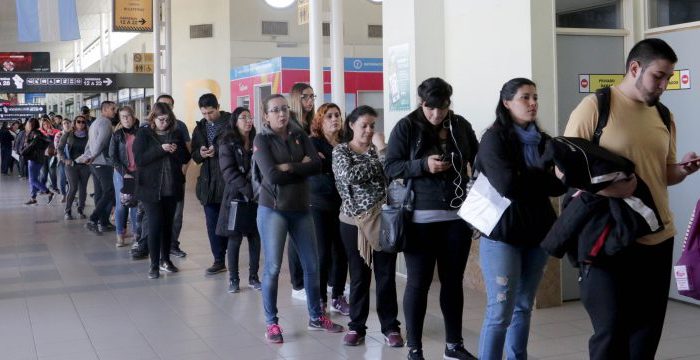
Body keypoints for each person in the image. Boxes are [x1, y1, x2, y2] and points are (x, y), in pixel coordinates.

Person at [565, 38, 700, 360]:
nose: (664, 84)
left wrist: (683, 170)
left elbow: (664, 173)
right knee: (611, 330)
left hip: (657, 233)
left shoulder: (664, 115)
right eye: (658, 76)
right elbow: (563, 171)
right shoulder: (596, 107)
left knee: (646, 332)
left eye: (669, 77)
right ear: (635, 68)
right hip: (607, 234)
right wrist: (606, 188)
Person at [385, 77, 479, 360]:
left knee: (453, 282)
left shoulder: (460, 125)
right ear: (421, 102)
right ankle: (415, 347)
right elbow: (391, 166)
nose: (436, 114)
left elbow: (477, 157)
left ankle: (453, 345)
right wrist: (423, 165)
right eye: (430, 108)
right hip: (420, 219)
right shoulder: (407, 126)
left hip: (456, 216)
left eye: (442, 107)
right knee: (418, 282)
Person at [476, 78, 567, 360]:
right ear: (507, 103)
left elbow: (560, 186)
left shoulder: (545, 141)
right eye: (525, 97)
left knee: (524, 306)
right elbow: (507, 186)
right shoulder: (494, 139)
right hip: (502, 234)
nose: (533, 103)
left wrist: (531, 177)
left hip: (537, 232)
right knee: (500, 311)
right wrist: (542, 172)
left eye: (535, 97)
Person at [253, 94, 343, 343]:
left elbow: (318, 166)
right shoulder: (262, 139)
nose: (281, 114)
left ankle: (316, 316)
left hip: (301, 208)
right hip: (273, 209)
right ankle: (271, 323)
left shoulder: (299, 134)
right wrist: (298, 165)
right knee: (272, 267)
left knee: (312, 265)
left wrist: (288, 167)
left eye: (284, 109)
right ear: (266, 115)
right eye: (275, 110)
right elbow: (271, 176)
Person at [332, 105, 404, 347]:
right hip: (353, 223)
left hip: (384, 220)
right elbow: (350, 175)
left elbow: (394, 175)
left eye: (372, 125)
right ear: (351, 125)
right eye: (364, 125)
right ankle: (357, 327)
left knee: (385, 276)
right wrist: (382, 157)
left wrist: (383, 152)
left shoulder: (381, 150)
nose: (369, 130)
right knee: (360, 276)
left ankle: (390, 326)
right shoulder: (341, 151)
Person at [133, 102, 190, 279]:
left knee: (168, 225)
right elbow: (140, 159)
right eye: (161, 119)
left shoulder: (176, 133)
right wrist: (161, 149)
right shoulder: (144, 133)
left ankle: (166, 260)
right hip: (150, 188)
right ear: (153, 118)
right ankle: (154, 264)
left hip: (171, 187)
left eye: (167, 120)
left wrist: (175, 150)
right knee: (155, 224)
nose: (164, 123)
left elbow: (186, 157)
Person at [308, 103, 349, 315]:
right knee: (323, 253)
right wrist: (323, 166)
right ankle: (321, 297)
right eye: (329, 116)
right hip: (319, 204)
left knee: (342, 251)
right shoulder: (313, 143)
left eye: (337, 115)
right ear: (320, 121)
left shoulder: (345, 143)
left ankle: (338, 296)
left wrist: (326, 167)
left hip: (342, 205)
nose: (335, 119)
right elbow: (313, 168)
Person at [216, 107, 262, 293]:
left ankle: (254, 277)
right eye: (243, 117)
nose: (248, 120)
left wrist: (257, 191)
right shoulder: (227, 142)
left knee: (255, 238)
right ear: (235, 121)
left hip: (257, 197)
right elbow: (228, 172)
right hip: (236, 197)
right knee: (234, 240)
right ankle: (233, 279)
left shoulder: (257, 141)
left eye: (250, 117)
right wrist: (249, 189)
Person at [191, 93, 230, 275]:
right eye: (204, 113)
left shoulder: (231, 123)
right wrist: (201, 152)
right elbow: (194, 155)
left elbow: (242, 146)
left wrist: (221, 150)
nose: (208, 117)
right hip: (207, 184)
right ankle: (218, 259)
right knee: (212, 223)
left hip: (227, 181)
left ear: (218, 107)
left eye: (211, 112)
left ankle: (230, 255)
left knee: (230, 224)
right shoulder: (200, 128)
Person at [287, 82, 317, 300]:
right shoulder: (290, 123)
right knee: (295, 235)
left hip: (312, 185)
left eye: (312, 96)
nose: (310, 101)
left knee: (309, 234)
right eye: (306, 97)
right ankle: (297, 284)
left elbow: (313, 157)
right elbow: (294, 158)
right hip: (293, 185)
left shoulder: (311, 123)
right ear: (296, 98)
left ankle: (312, 281)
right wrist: (306, 160)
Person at [156, 94, 191, 258]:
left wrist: (183, 171)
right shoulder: (146, 128)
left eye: (169, 106)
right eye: (162, 106)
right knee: (151, 213)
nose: (165, 110)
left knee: (176, 213)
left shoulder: (180, 127)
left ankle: (172, 244)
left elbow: (188, 151)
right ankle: (147, 243)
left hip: (175, 177)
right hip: (154, 180)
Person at [80, 101, 117, 235]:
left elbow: (89, 143)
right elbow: (100, 142)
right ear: (105, 109)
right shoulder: (105, 122)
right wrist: (94, 155)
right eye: (113, 109)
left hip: (94, 163)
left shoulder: (95, 123)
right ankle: (93, 219)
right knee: (109, 191)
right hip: (102, 162)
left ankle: (104, 222)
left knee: (100, 192)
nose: (115, 111)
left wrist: (88, 156)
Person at [109, 106, 140, 248]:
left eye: (128, 116)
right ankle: (120, 233)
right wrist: (124, 171)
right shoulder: (117, 135)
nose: (126, 119)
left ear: (133, 116)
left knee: (135, 205)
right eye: (123, 117)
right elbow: (112, 157)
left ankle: (136, 234)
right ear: (120, 119)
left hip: (138, 173)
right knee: (122, 204)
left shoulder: (141, 132)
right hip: (122, 174)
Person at [57, 116, 90, 220]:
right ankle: (68, 211)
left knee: (83, 188)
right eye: (78, 122)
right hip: (71, 165)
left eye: (83, 122)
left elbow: (93, 149)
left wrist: (90, 159)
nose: (81, 124)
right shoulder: (68, 134)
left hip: (85, 165)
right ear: (74, 123)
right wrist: (64, 159)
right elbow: (60, 148)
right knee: (73, 187)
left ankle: (80, 210)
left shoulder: (89, 136)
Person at [20, 118, 53, 205]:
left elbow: (31, 145)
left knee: (33, 179)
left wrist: (23, 152)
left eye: (27, 123)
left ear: (31, 124)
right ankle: (33, 198)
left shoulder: (34, 134)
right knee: (33, 179)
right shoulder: (39, 133)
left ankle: (48, 192)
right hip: (38, 158)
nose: (26, 125)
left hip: (34, 159)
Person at [39, 116, 59, 192]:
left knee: (52, 172)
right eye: (44, 124)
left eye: (47, 124)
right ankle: (42, 188)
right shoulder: (39, 132)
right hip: (42, 155)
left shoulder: (56, 131)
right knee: (43, 173)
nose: (46, 126)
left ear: (50, 124)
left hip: (52, 155)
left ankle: (55, 187)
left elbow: (58, 143)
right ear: (42, 125)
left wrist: (51, 135)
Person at [55, 117, 72, 202]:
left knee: (71, 179)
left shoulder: (74, 134)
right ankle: (63, 194)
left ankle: (70, 194)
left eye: (68, 123)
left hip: (72, 160)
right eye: (64, 123)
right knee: (62, 178)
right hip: (62, 160)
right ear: (62, 126)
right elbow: (57, 148)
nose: (66, 124)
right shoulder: (59, 134)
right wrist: (63, 158)